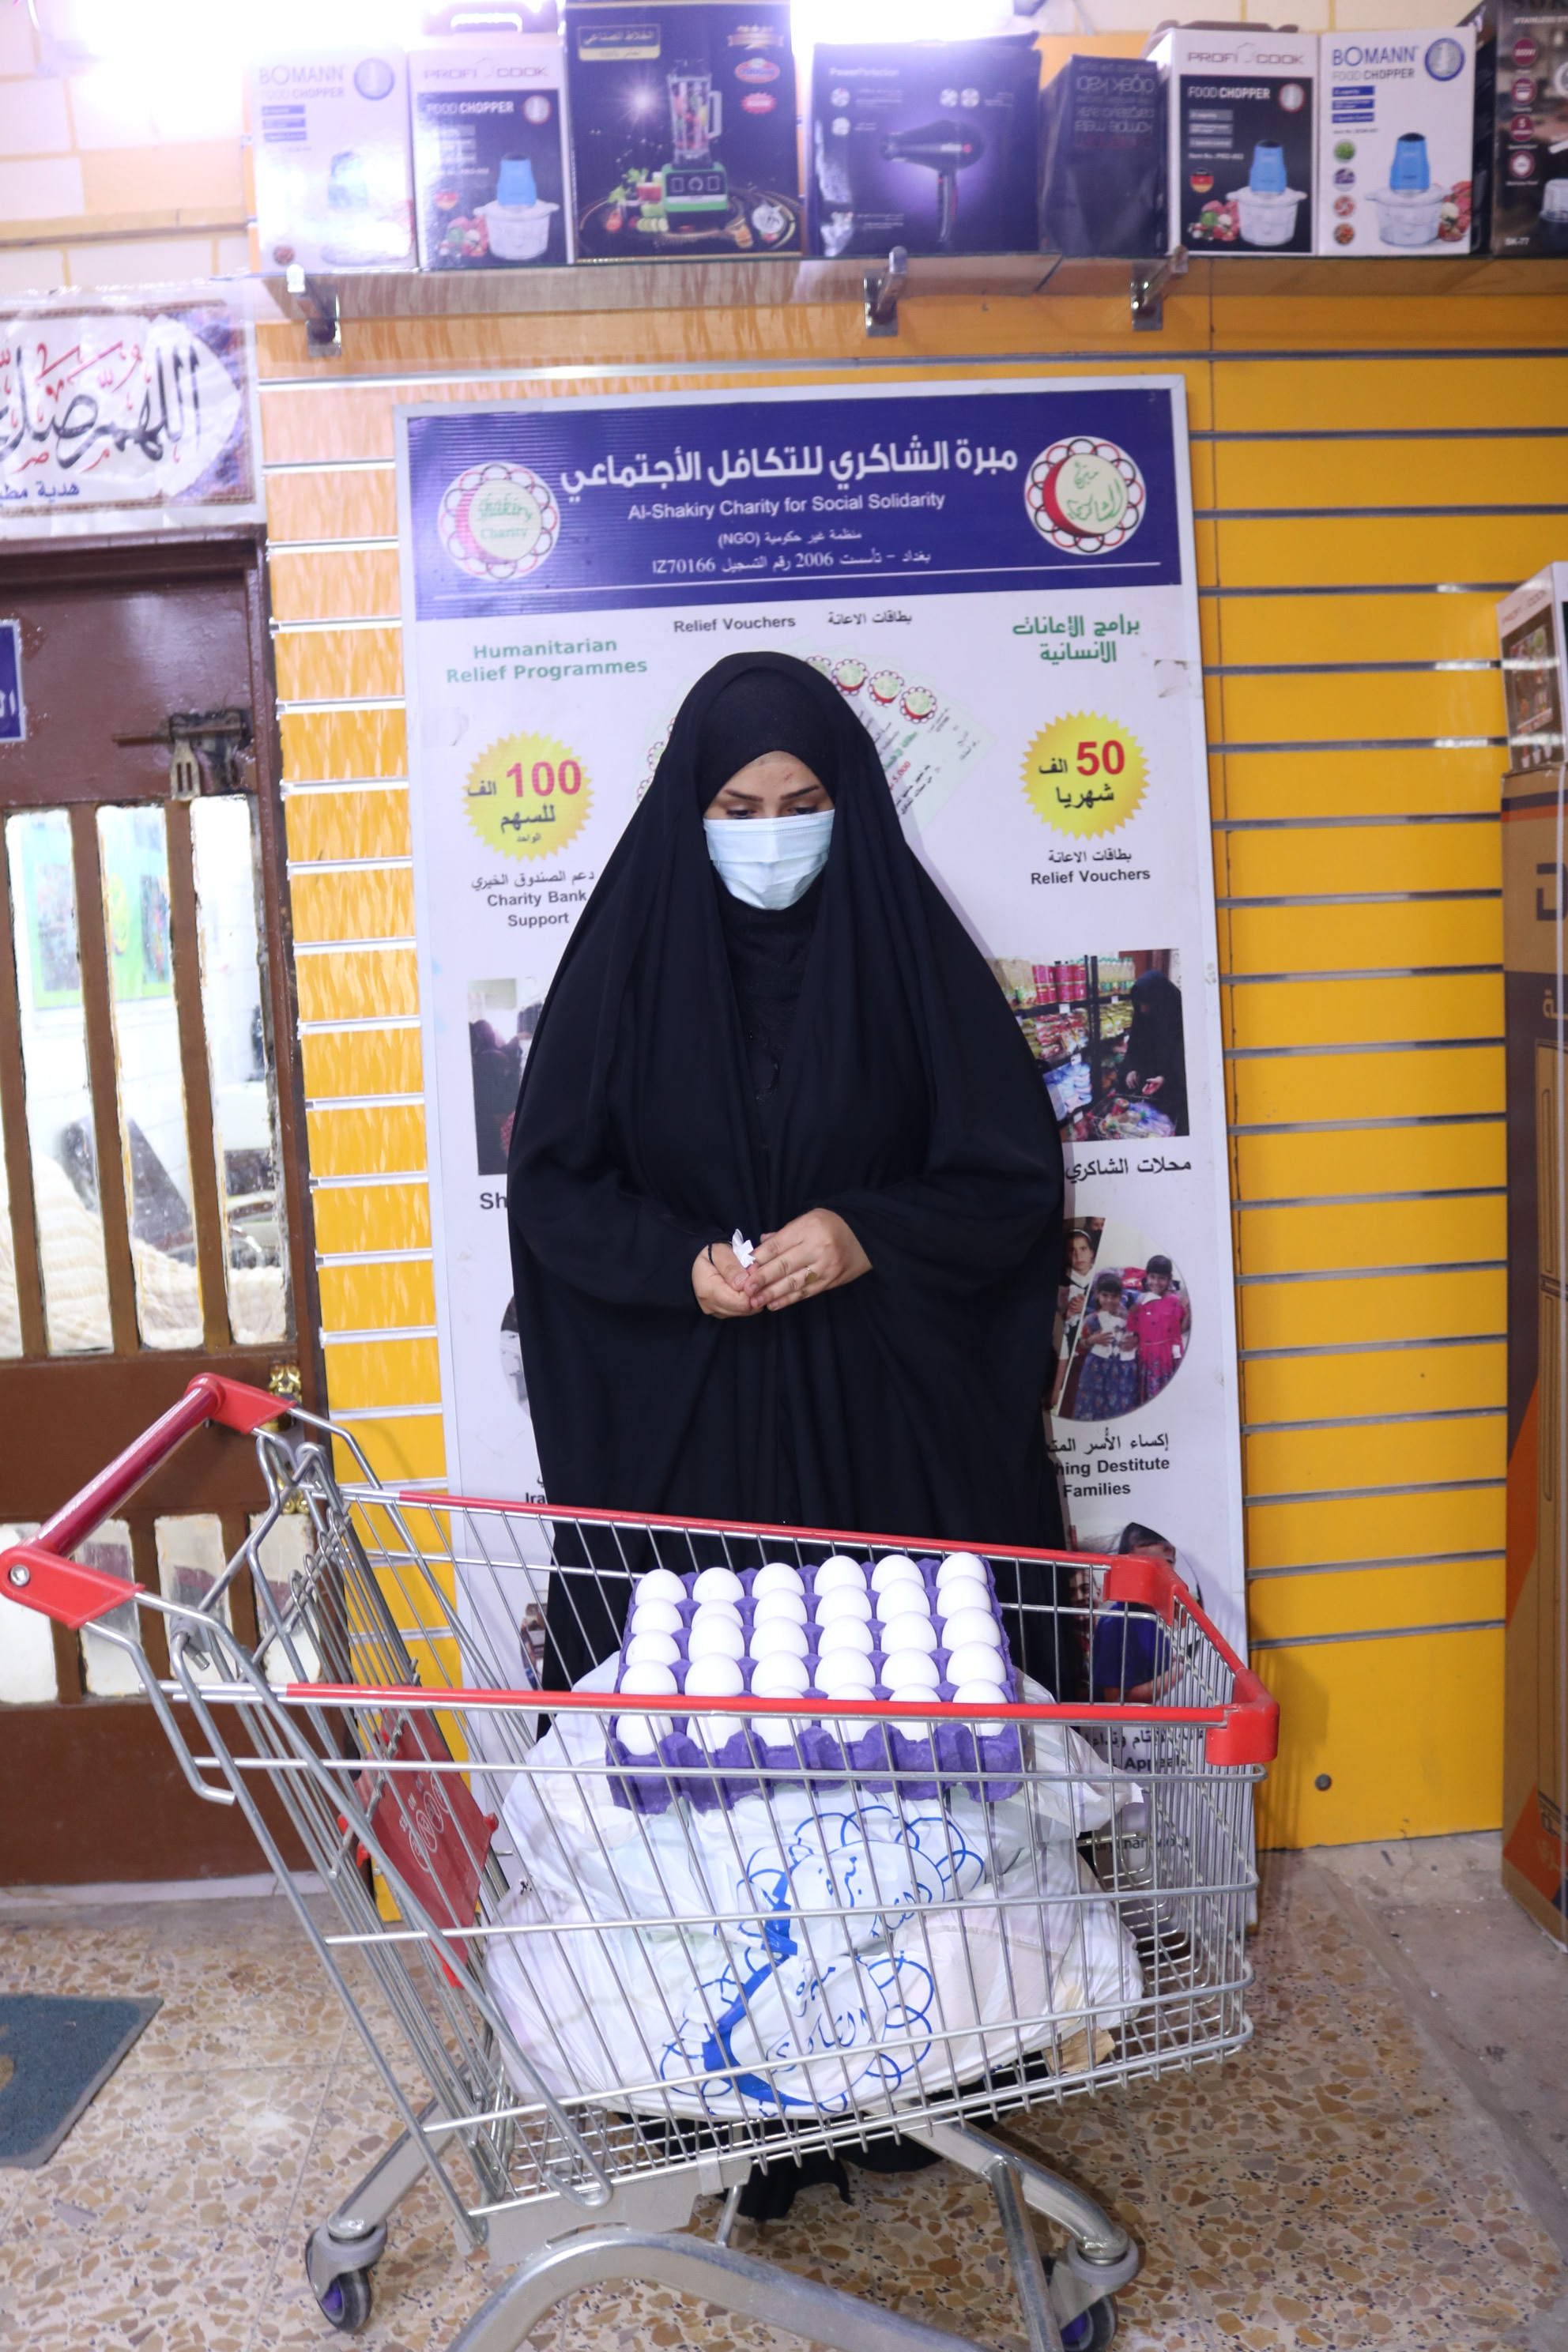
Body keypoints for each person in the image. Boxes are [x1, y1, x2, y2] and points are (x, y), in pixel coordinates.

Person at [507, 651, 1073, 1699]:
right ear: (690, 809)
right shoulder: (624, 973)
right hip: (686, 1454)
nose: (772, 832)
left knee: (912, 1723)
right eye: (739, 809)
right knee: (687, 1740)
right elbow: (555, 1189)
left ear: (847, 801)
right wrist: (677, 1264)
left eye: (804, 805)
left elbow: (1008, 1184)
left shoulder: (908, 963)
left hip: (887, 1444)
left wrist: (867, 1236)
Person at [1118, 967, 1188, 1133]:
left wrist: (1165, 1078)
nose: (1142, 1009)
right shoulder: (1141, 1016)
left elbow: (1184, 1060)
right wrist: (1131, 1069)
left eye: (1147, 1004)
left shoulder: (1180, 1016)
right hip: (1147, 1090)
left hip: (1173, 1092)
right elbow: (1134, 1049)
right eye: (1139, 1004)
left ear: (1159, 1000)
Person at [1068, 1269, 1139, 1422]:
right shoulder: (1092, 1319)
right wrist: (1091, 1340)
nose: (1109, 1300)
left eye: (1114, 1296)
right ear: (1097, 1295)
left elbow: (1141, 1337)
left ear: (1121, 1296)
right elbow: (1080, 1343)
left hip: (1123, 1371)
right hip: (1096, 1369)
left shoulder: (1131, 1319)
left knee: (1118, 1410)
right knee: (1091, 1408)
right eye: (1105, 1295)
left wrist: (1136, 1340)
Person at [1132, 1253, 1189, 1406]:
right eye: (1152, 1277)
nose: (1156, 1282)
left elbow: (1180, 1330)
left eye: (1162, 1278)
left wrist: (1188, 1311)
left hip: (1166, 1357)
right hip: (1146, 1356)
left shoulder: (1175, 1301)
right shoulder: (1141, 1300)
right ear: (1147, 1277)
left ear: (1169, 1279)